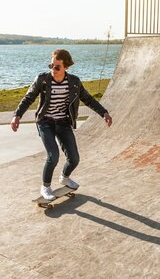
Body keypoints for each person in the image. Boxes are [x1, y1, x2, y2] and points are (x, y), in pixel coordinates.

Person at [11, 49, 112, 201]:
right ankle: (45, 187)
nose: (53, 69)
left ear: (66, 67)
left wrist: (103, 113)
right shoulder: (42, 80)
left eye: (57, 67)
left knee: (74, 158)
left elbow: (88, 99)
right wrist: (16, 116)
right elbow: (28, 98)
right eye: (51, 65)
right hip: (45, 123)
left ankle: (64, 177)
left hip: (63, 122)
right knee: (53, 155)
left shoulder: (74, 82)